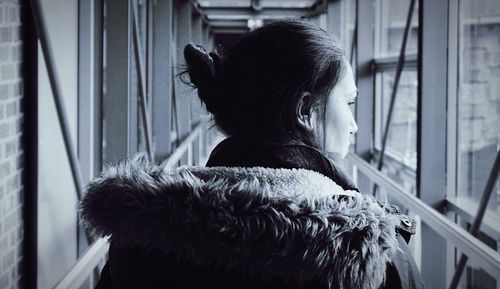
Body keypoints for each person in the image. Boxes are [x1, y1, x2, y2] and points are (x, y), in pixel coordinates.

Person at [80, 19, 424, 289]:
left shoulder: (139, 234)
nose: (354, 125)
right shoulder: (368, 251)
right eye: (348, 103)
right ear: (305, 110)